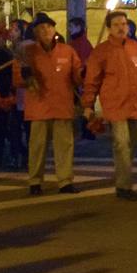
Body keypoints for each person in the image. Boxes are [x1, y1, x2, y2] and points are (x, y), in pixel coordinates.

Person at [82, 9, 137, 200]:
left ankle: (123, 176)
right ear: (109, 29)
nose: (121, 28)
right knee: (122, 144)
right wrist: (88, 104)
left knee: (132, 146)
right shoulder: (101, 52)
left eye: (123, 24)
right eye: (116, 25)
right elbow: (92, 81)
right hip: (114, 106)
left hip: (136, 106)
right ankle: (124, 186)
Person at [21, 13, 83, 195]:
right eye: (41, 28)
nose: (46, 30)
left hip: (62, 107)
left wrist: (83, 74)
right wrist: (25, 75)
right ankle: (35, 181)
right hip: (38, 108)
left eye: (49, 27)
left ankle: (65, 181)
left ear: (54, 29)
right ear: (36, 33)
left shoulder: (67, 51)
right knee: (37, 148)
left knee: (64, 147)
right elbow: (18, 79)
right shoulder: (28, 53)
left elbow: (77, 77)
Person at [0, 23, 26, 172]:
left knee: (4, 130)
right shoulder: (4, 53)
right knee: (5, 130)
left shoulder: (1, 55)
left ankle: (8, 157)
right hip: (2, 95)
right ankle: (15, 155)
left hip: (2, 96)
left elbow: (4, 77)